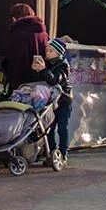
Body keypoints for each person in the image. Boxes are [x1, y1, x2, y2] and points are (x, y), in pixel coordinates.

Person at [31, 36, 72, 164]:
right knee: (49, 128)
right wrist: (37, 70)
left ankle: (63, 153)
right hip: (50, 101)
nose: (47, 53)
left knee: (62, 128)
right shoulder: (47, 63)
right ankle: (52, 152)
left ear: (58, 53)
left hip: (63, 100)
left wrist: (43, 70)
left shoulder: (63, 65)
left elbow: (55, 80)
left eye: (50, 51)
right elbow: (43, 80)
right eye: (46, 50)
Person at [2, 4, 48, 93]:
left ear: (14, 18)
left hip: (21, 83)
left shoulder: (17, 34)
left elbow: (14, 60)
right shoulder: (43, 33)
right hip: (41, 82)